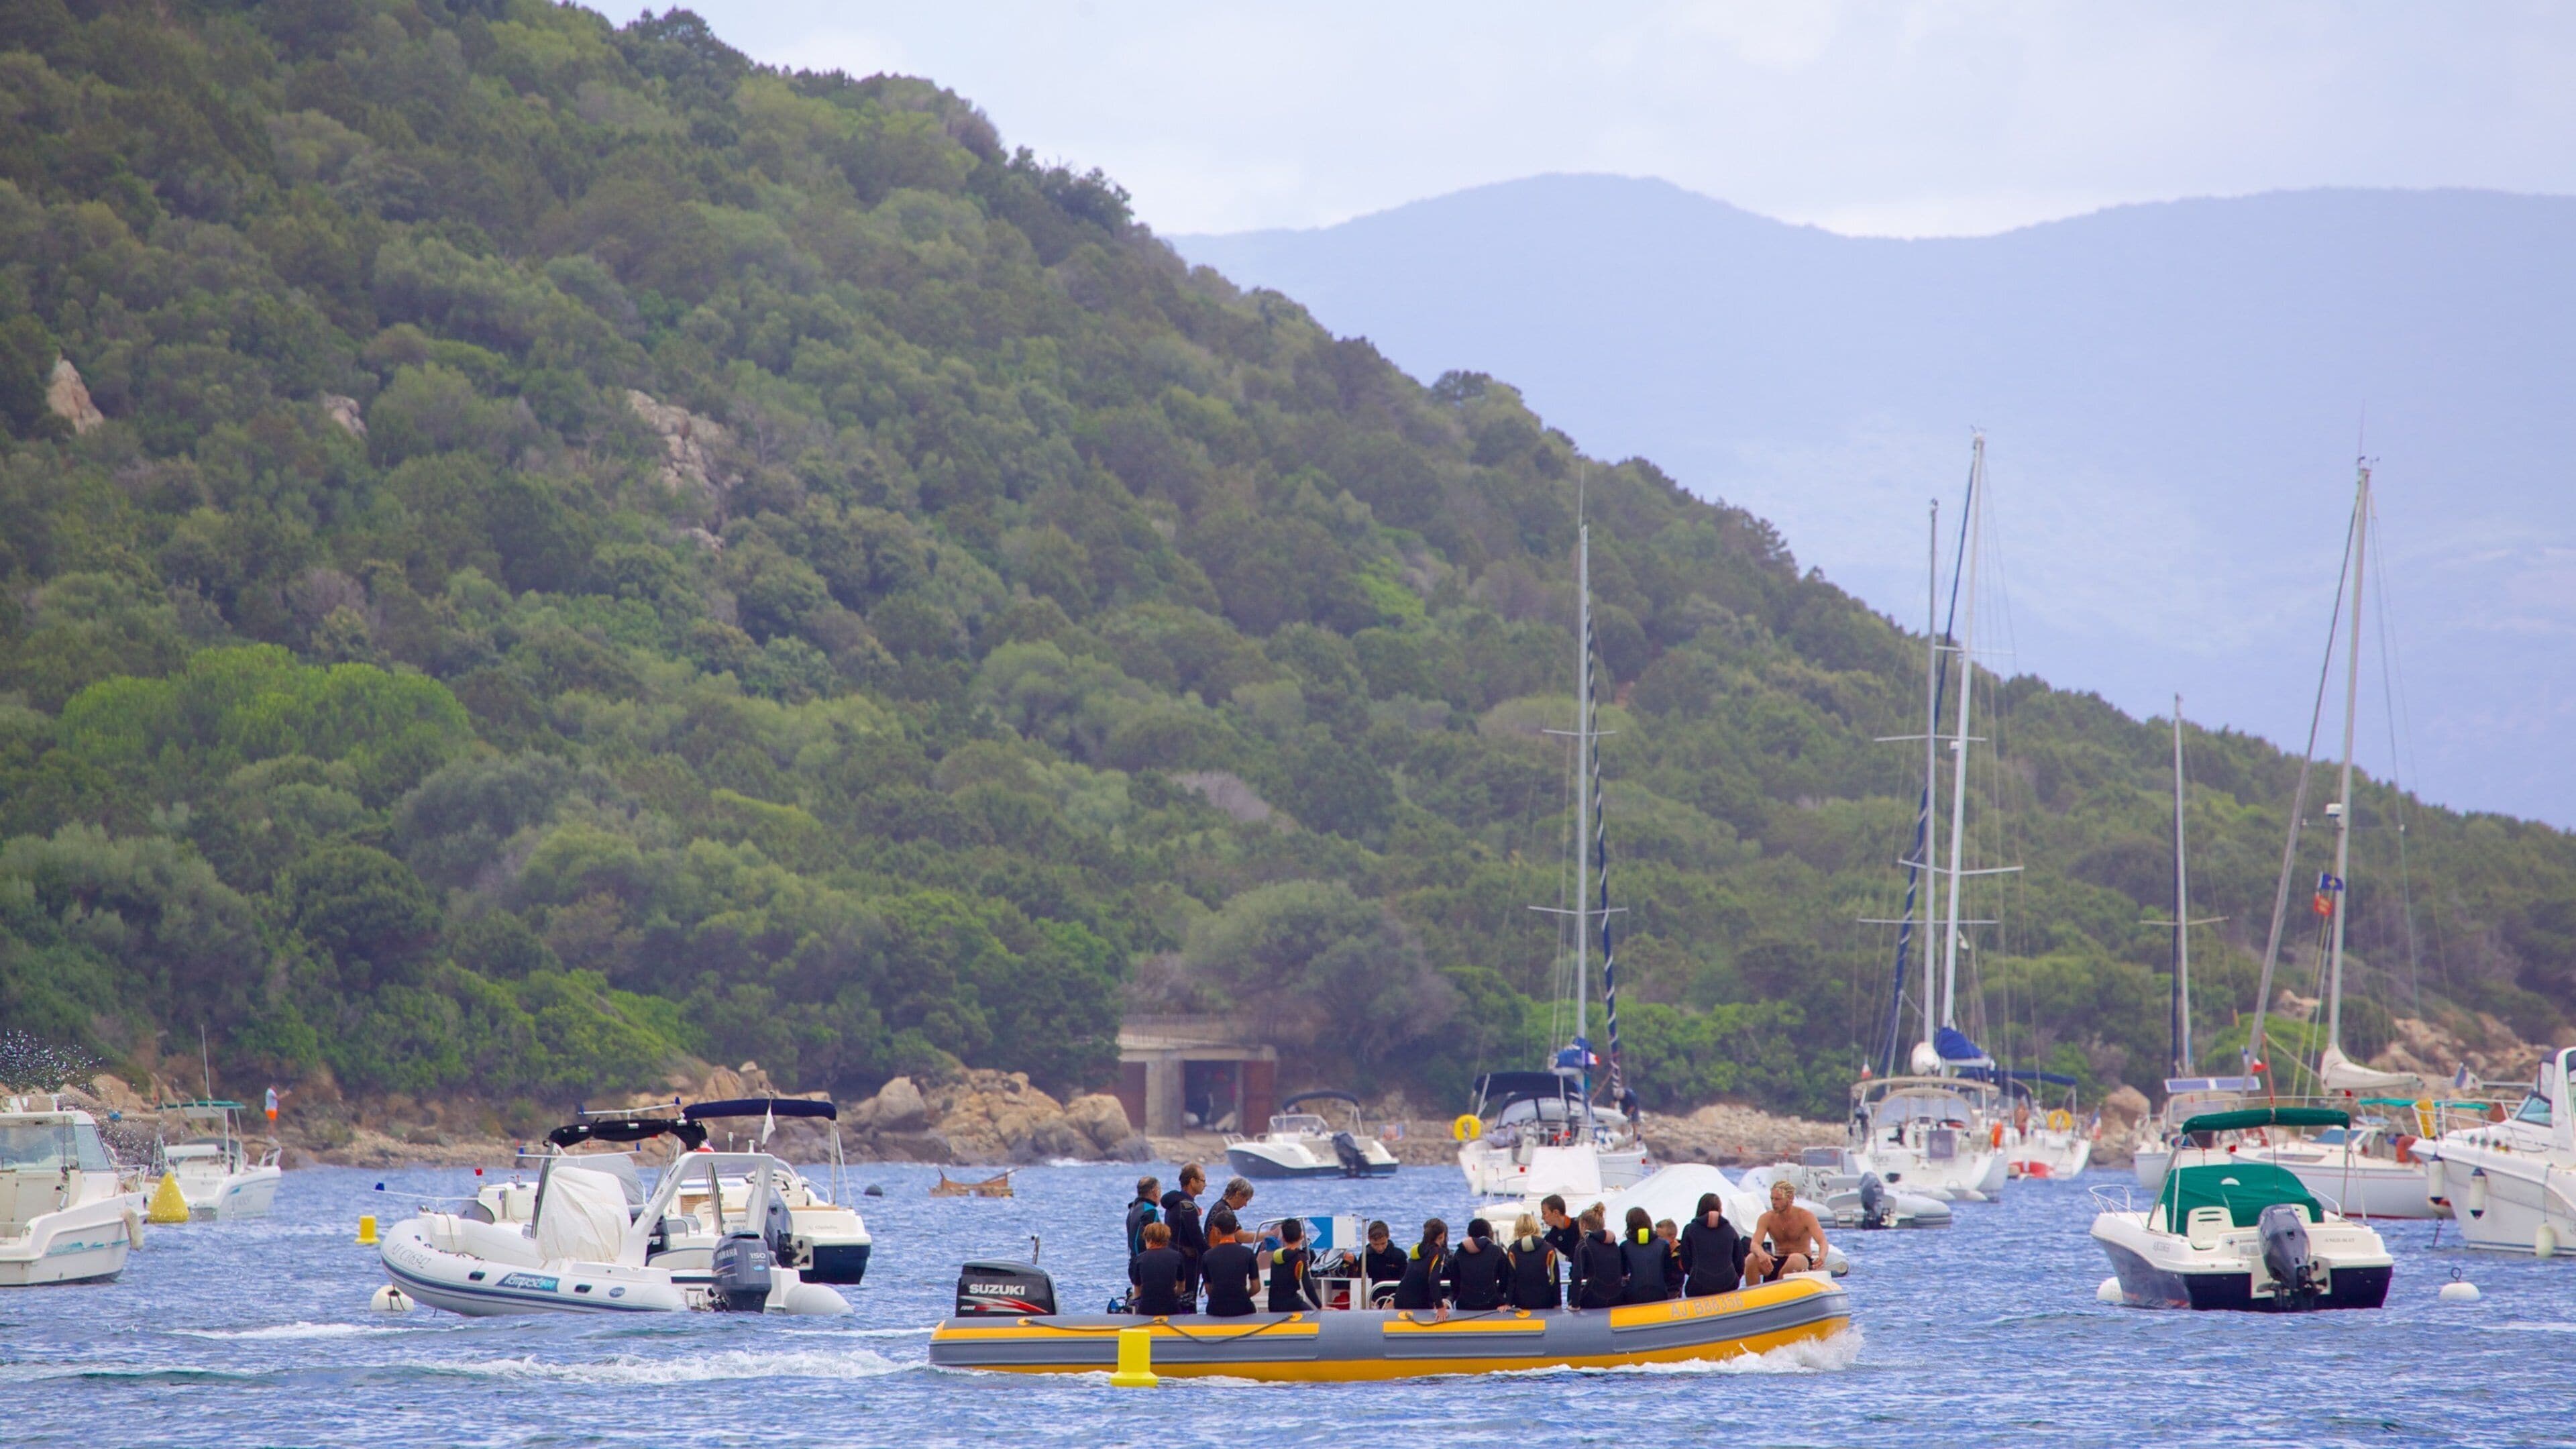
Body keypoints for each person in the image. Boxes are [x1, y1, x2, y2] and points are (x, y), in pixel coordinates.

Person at [1746, 1179, 1829, 1281]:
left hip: (1801, 1260)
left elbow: (1822, 1241)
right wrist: (1762, 1254)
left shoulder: (1805, 1216)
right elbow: (1754, 1244)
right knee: (1751, 1259)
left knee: (1795, 1259)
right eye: (1772, 1199)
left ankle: (1777, 1288)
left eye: (1778, 1199)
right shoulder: (1766, 1218)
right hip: (1778, 1258)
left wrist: (1822, 1257)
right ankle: (1754, 1294)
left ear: (1790, 1198)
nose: (1773, 1203)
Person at [1677, 1191, 1748, 1297]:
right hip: (1729, 1283)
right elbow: (1739, 1263)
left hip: (1698, 1285)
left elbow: (1686, 1262)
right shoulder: (1730, 1230)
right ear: (1720, 1210)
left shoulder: (1690, 1230)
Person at [1161, 1164, 1207, 1312]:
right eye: (1203, 1180)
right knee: (1187, 1303)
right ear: (1192, 1181)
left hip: (1174, 1259)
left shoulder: (1174, 1203)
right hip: (1187, 1263)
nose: (1205, 1185)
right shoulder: (1187, 1206)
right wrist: (1215, 1256)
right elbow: (1197, 1238)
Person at [1200, 1207, 1263, 1317]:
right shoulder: (1248, 1254)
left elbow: (1209, 1289)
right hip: (1243, 1307)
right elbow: (1256, 1287)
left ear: (1217, 1231)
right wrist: (1244, 1297)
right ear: (1235, 1229)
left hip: (1216, 1309)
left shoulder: (1207, 1256)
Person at [1617, 1205, 1680, 1303]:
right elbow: (1668, 1274)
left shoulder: (1624, 1247)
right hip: (1660, 1294)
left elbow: (1623, 1273)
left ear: (1629, 1225)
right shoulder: (1664, 1245)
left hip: (1633, 1296)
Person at [1569, 1206, 1625, 1310]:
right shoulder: (1614, 1244)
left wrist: (1574, 1304)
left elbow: (1577, 1275)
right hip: (1617, 1298)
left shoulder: (1583, 1245)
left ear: (1584, 1225)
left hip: (1594, 1298)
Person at [1391, 1218, 1450, 1316]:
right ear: (1442, 1235)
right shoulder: (1438, 1253)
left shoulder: (1417, 1248)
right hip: (1419, 1303)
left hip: (1400, 1299)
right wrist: (1440, 1307)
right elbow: (1433, 1280)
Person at [1448, 1217, 1509, 1310]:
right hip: (1493, 1303)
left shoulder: (1459, 1253)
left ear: (1469, 1234)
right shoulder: (1497, 1251)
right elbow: (1505, 1281)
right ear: (1489, 1234)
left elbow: (1455, 1285)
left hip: (1464, 1304)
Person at [1505, 1212, 1560, 1310]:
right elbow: (1554, 1279)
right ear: (1535, 1226)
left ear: (1517, 1228)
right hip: (1545, 1300)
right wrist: (1558, 1303)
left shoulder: (1512, 1250)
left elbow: (1511, 1279)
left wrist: (1508, 1303)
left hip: (1521, 1301)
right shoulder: (1548, 1249)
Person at [1129, 1221, 1185, 1316]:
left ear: (1150, 1240)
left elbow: (1137, 1292)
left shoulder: (1139, 1259)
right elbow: (1181, 1288)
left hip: (1146, 1310)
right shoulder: (1177, 1257)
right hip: (1171, 1308)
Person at [1265, 1216, 1316, 1311]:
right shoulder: (1301, 1257)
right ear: (1301, 1236)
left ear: (1283, 1238)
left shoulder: (1276, 1256)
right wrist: (1320, 1306)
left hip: (1273, 1305)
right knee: (1311, 1313)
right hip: (1292, 1303)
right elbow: (1308, 1287)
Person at [1361, 1219, 1406, 1307]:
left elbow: (1406, 1282)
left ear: (1388, 1237)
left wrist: (1395, 1301)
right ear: (1369, 1239)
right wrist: (1368, 1301)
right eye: (1376, 1245)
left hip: (1395, 1299)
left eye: (1383, 1243)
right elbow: (1359, 1282)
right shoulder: (1365, 1256)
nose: (1380, 1248)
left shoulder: (1399, 1255)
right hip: (1373, 1300)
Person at [1125, 1175, 1161, 1258]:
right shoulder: (1150, 1211)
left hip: (1134, 1261)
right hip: (1145, 1263)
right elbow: (1146, 1241)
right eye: (1160, 1190)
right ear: (1155, 1191)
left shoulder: (1133, 1208)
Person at [1540, 1194, 1582, 1264]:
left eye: (1544, 1213)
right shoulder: (1552, 1236)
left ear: (1555, 1213)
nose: (1542, 1217)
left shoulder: (1580, 1226)